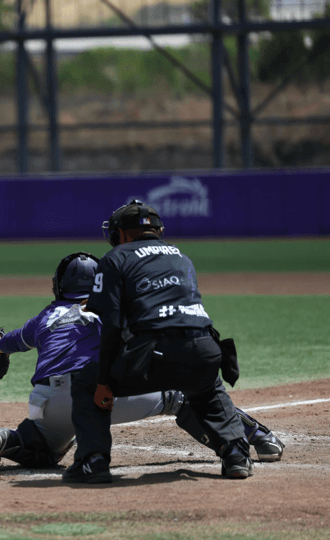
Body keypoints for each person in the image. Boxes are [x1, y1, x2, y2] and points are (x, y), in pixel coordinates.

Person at [0, 252, 284, 473]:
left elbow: (1, 344)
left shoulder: (43, 318)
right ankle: (258, 439)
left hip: (46, 402)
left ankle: (6, 439)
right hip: (96, 395)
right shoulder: (109, 307)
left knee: (44, 451)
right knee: (181, 395)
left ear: (59, 285)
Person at [60, 200, 254, 484]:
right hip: (205, 350)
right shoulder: (181, 257)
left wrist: (103, 381)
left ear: (121, 234)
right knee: (208, 388)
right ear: (159, 231)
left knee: (86, 382)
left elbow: (112, 326)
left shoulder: (115, 258)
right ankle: (236, 453)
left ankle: (93, 461)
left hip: (154, 355)